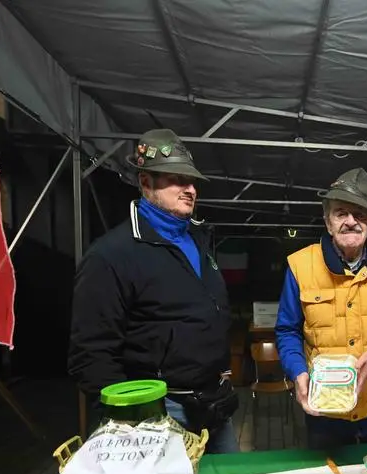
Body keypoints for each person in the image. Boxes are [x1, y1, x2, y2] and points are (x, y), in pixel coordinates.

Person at [67, 129, 240, 453]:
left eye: (192, 182)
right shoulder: (111, 255)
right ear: (145, 183)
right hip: (159, 412)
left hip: (214, 403)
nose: (189, 189)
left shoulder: (198, 242)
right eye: (176, 180)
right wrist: (134, 421)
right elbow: (90, 354)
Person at [275, 168, 367, 450]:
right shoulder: (300, 265)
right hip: (324, 410)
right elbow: (287, 330)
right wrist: (297, 372)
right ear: (327, 221)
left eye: (360, 214)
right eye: (341, 213)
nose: (351, 222)